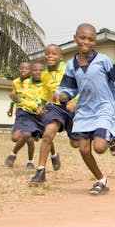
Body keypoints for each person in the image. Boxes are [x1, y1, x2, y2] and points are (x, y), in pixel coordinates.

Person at [56, 23, 115, 195]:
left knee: (100, 148)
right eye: (82, 38)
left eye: (91, 39)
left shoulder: (104, 61)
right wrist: (60, 96)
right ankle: (101, 180)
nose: (86, 42)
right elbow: (68, 90)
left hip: (104, 108)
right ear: (75, 38)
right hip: (84, 110)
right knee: (84, 149)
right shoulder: (71, 65)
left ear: (95, 41)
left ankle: (113, 136)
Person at [29, 44, 74, 186]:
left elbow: (79, 85)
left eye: (54, 54)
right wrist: (41, 105)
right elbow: (45, 92)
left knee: (76, 143)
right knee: (48, 133)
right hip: (56, 107)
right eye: (47, 53)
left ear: (60, 56)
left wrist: (73, 100)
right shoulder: (44, 74)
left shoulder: (69, 68)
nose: (50, 56)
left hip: (72, 105)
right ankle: (41, 170)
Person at [4, 60, 39, 169]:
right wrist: (10, 108)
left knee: (30, 139)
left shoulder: (33, 82)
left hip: (33, 113)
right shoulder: (15, 82)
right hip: (21, 112)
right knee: (15, 138)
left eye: (27, 68)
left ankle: (30, 161)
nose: (24, 70)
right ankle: (13, 153)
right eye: (21, 68)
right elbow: (14, 96)